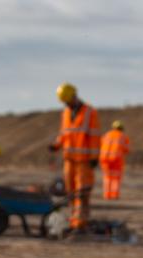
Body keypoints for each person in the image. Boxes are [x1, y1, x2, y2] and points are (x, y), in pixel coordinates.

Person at [49, 82, 101, 233]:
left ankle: (81, 222)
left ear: (74, 96)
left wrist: (93, 157)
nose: (67, 103)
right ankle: (73, 220)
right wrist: (56, 145)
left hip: (83, 161)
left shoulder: (89, 112)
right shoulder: (65, 113)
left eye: (68, 100)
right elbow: (64, 134)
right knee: (70, 192)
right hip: (69, 160)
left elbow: (94, 136)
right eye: (64, 101)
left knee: (82, 192)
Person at [99, 120, 131, 200]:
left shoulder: (107, 135)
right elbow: (127, 150)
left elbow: (100, 145)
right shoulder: (123, 136)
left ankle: (107, 195)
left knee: (107, 177)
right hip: (116, 159)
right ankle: (114, 195)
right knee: (115, 178)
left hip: (104, 159)